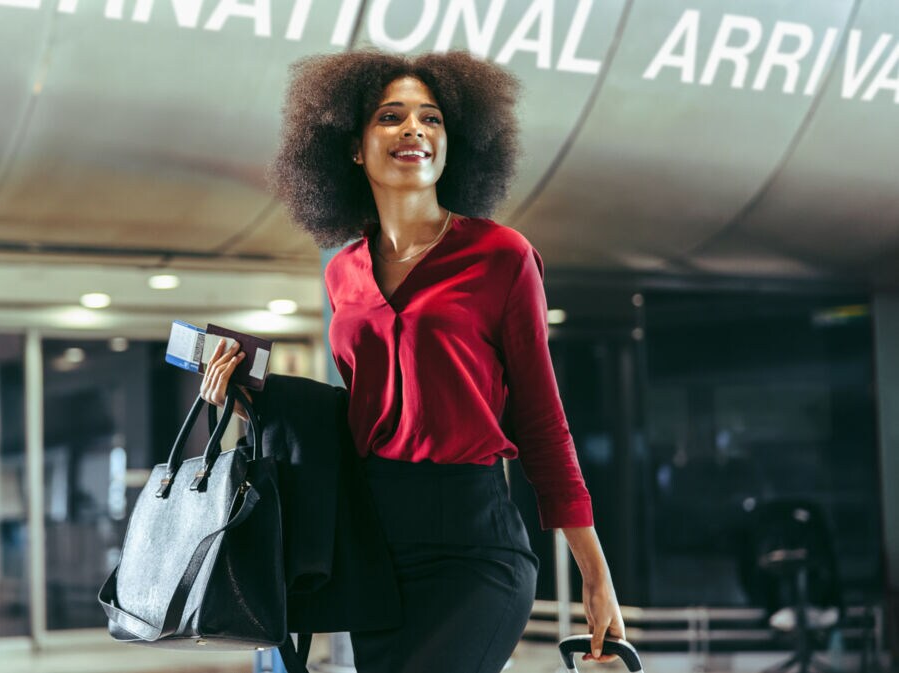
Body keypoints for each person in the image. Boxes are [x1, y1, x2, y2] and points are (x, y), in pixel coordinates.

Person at [200, 50, 625, 673]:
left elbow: (540, 420)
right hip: (376, 546)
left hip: (475, 545)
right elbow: (364, 414)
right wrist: (255, 395)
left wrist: (595, 572)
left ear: (454, 143)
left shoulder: (502, 256)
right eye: (390, 116)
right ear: (352, 146)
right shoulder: (344, 270)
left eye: (431, 118)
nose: (414, 130)